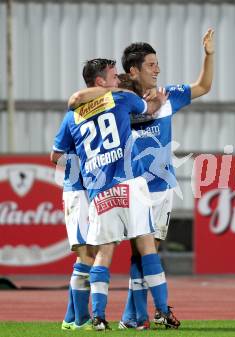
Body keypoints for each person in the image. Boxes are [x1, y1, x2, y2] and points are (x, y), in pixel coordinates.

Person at [51, 58, 179, 330]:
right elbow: (151, 108)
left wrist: (85, 163)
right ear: (100, 82)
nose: (118, 80)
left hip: (93, 189)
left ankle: (87, 318)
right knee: (144, 246)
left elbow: (56, 155)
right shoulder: (122, 99)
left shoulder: (72, 115)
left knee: (95, 253)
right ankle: (162, 311)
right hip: (127, 184)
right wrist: (157, 100)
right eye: (113, 76)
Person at [118, 28, 214, 330]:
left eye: (157, 64)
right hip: (135, 187)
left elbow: (203, 86)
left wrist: (208, 55)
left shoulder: (169, 94)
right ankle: (144, 315)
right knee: (141, 251)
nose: (157, 69)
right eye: (150, 64)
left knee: (148, 252)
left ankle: (131, 317)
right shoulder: (120, 101)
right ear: (133, 70)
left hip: (163, 186)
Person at [57, 153, 94, 331]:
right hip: (78, 192)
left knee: (88, 255)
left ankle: (70, 319)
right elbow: (55, 155)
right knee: (86, 256)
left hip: (89, 190)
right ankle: (82, 320)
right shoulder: (72, 123)